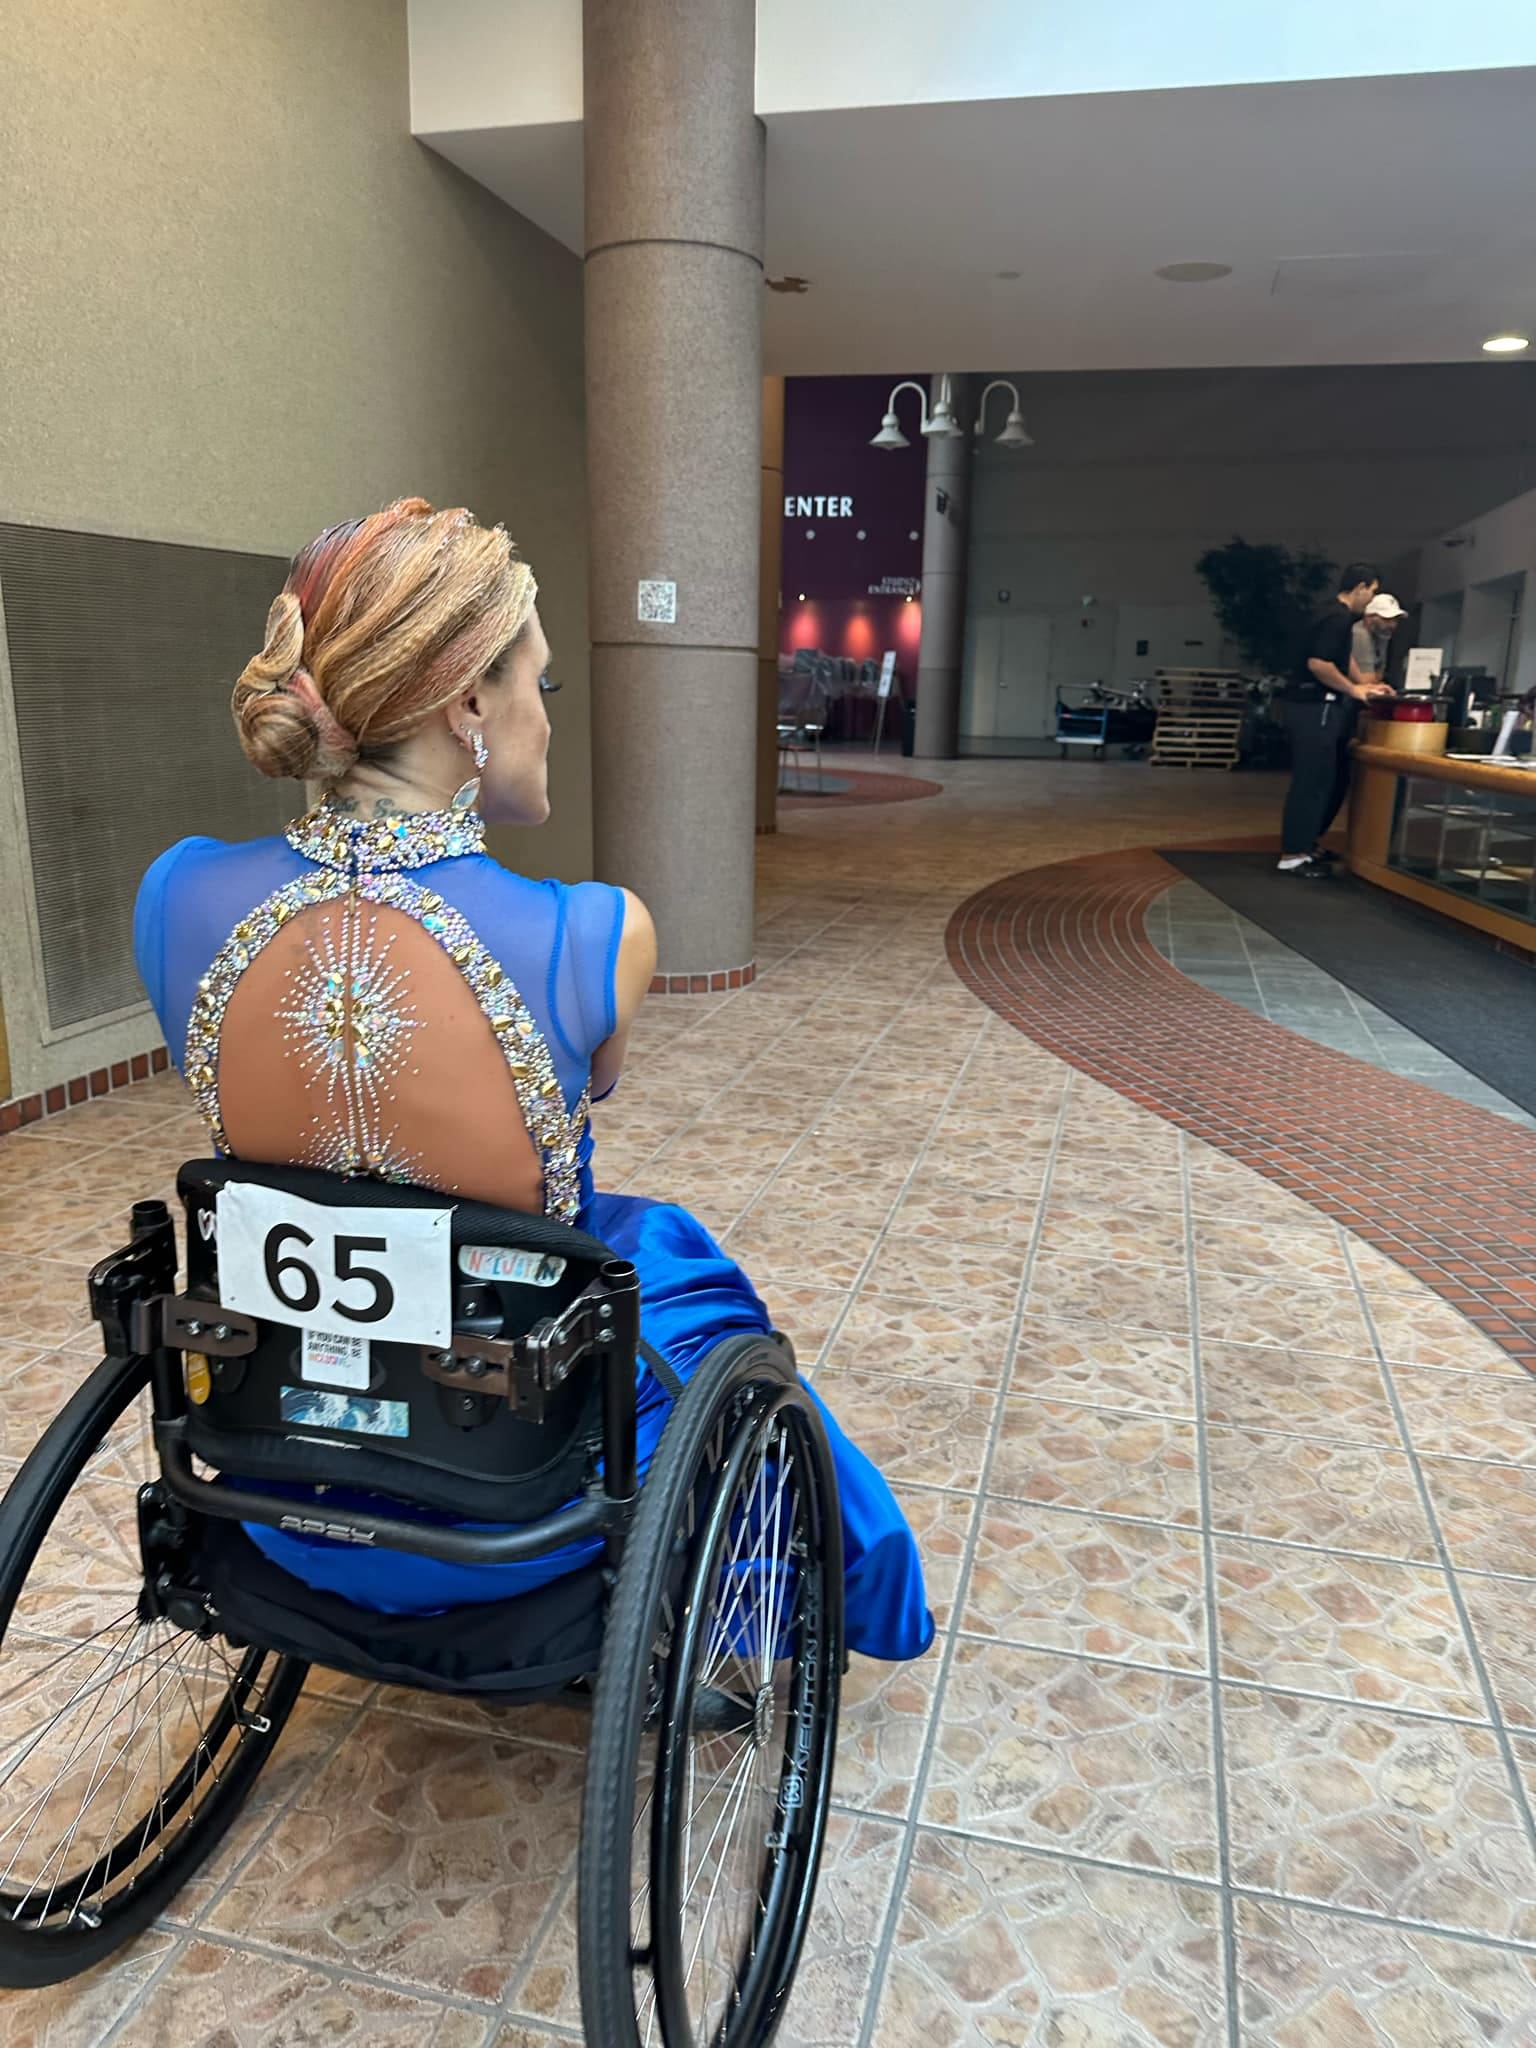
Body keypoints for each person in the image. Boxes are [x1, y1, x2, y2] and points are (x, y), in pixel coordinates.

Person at [133, 498, 933, 1663]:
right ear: (467, 706)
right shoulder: (594, 932)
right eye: (538, 688)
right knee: (677, 1280)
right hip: (516, 1479)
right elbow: (592, 1089)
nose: (544, 719)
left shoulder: (178, 895)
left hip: (272, 1457)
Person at [1277, 561, 1394, 878]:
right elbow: (1319, 664)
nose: (1371, 599)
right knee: (1312, 780)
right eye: (1372, 592)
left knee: (1327, 779)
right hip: (1315, 707)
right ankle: (1293, 853)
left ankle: (1307, 844)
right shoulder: (1337, 618)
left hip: (1317, 707)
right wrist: (1354, 690)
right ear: (1360, 587)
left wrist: (1364, 685)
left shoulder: (1332, 615)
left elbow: (1343, 660)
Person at [1352, 590, 1407, 691]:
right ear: (1369, 617)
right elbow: (1367, 681)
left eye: (1395, 619)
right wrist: (1375, 679)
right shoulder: (1360, 635)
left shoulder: (1382, 635)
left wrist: (1376, 679)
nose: (1392, 625)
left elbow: (1379, 675)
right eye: (1386, 619)